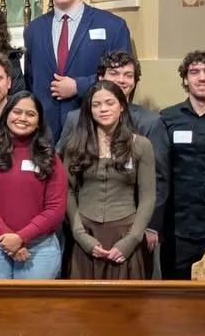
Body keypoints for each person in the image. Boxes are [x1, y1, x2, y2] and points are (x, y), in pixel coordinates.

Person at [57, 49, 169, 265]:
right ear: (100, 77)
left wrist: (147, 228)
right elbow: (65, 182)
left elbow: (157, 182)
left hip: (129, 226)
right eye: (114, 73)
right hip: (85, 225)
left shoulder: (149, 124)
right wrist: (78, 230)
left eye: (128, 75)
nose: (121, 80)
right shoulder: (75, 124)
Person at [0, 91, 69, 280]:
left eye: (30, 114)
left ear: (39, 121)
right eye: (17, 112)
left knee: (32, 300)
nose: (22, 118)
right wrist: (8, 237)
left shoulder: (50, 157)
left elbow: (56, 208)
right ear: (6, 115)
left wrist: (21, 237)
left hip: (39, 247)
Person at [60, 81, 157, 280]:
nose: (103, 109)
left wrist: (132, 239)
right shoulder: (75, 145)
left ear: (121, 106)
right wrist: (79, 234)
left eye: (109, 103)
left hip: (125, 234)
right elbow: (67, 190)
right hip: (86, 234)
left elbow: (148, 196)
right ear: (89, 110)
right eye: (96, 105)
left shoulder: (141, 145)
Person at [23, 0, 132, 134]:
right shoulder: (34, 29)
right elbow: (30, 79)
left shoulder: (112, 25)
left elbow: (122, 76)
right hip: (45, 127)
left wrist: (78, 86)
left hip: (91, 122)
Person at [160, 50, 205, 279]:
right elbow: (159, 172)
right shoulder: (167, 118)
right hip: (175, 228)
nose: (202, 77)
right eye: (194, 72)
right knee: (175, 293)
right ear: (185, 79)